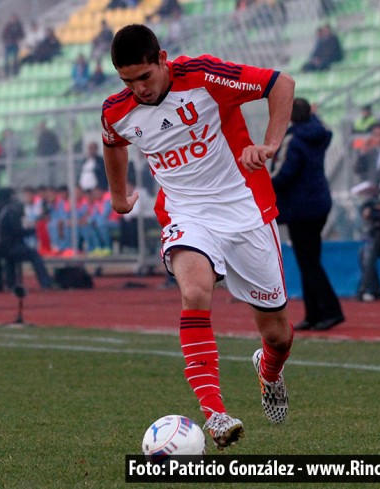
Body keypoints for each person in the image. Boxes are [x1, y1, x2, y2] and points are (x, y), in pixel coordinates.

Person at [101, 24, 295, 448]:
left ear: (163, 59)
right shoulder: (117, 110)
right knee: (195, 292)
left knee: (278, 333)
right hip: (185, 212)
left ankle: (269, 370)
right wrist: (119, 197)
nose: (138, 90)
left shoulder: (204, 76)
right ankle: (216, 414)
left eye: (145, 77)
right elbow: (112, 141)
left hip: (244, 209)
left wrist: (270, 145)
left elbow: (281, 84)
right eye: (127, 81)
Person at [270, 98, 344, 332]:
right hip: (318, 202)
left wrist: (258, 180)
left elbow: (283, 174)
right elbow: (324, 128)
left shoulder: (293, 139)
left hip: (300, 207)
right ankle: (314, 314)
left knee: (309, 262)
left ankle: (330, 311)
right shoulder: (319, 134)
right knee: (309, 260)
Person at [0, 187, 55, 291]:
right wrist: (33, 231)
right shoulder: (9, 209)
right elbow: (17, 231)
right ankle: (46, 283)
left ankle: (9, 283)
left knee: (11, 256)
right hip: (6, 247)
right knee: (33, 254)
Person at [36, 121, 61, 186]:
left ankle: (51, 187)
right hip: (43, 157)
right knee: (44, 175)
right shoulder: (41, 135)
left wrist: (51, 153)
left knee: (50, 175)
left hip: (49, 157)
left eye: (42, 126)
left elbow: (56, 146)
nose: (40, 127)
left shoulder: (50, 134)